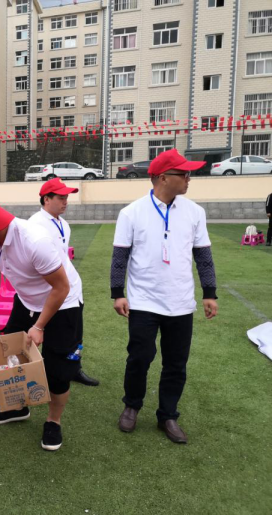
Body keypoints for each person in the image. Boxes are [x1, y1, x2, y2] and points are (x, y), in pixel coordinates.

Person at [111, 149, 218, 444]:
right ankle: (132, 405)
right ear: (162, 178)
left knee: (176, 363)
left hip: (181, 302)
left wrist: (210, 293)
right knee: (139, 357)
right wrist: (117, 293)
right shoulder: (131, 213)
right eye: (183, 173)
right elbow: (120, 257)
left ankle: (168, 415)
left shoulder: (195, 212)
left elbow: (203, 256)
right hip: (143, 300)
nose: (189, 178)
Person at [0, 192, 75, 451]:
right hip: (26, 300)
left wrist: (39, 326)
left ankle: (53, 421)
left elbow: (61, 288)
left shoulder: (34, 241)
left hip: (63, 303)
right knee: (8, 353)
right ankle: (17, 407)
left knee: (57, 370)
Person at [29, 178, 99, 387]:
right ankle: (54, 376)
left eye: (66, 197)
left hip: (73, 290)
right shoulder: (36, 225)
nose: (65, 202)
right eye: (61, 198)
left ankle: (74, 369)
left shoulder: (62, 224)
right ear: (46, 199)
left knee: (75, 335)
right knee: (57, 339)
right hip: (55, 293)